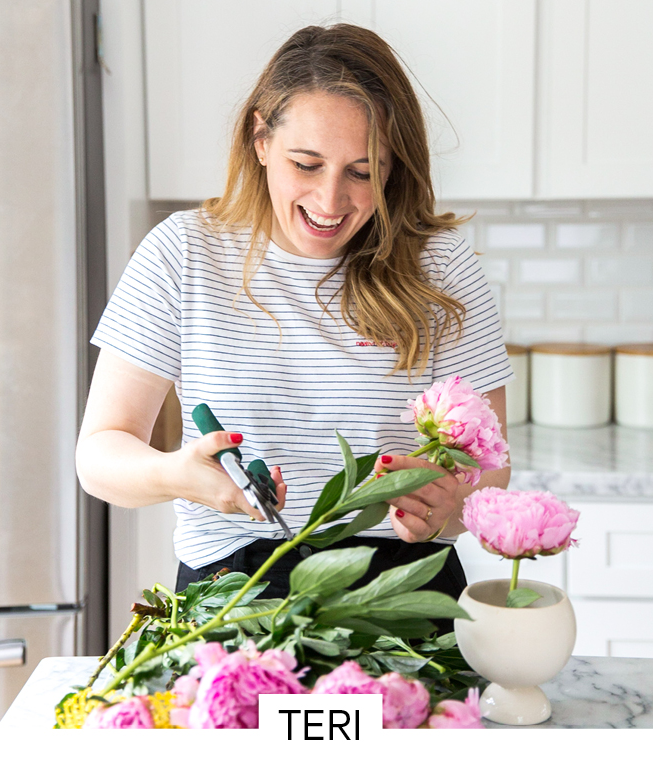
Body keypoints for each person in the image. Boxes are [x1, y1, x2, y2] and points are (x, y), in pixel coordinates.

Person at [76, 24, 513, 615]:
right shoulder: (182, 252)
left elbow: (491, 468)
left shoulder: (442, 267)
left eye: (362, 171)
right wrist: (179, 474)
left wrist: (450, 509)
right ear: (260, 138)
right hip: (234, 588)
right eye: (306, 164)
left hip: (402, 590)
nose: (331, 201)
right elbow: (100, 455)